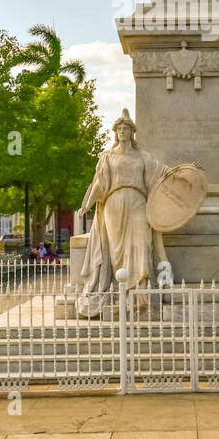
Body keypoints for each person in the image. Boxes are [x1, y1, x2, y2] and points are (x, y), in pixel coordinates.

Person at [74, 109, 173, 317]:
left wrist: (184, 173)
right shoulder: (108, 157)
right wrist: (88, 204)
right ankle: (122, 295)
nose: (122, 132)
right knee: (117, 251)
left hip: (138, 201)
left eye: (126, 129)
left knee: (142, 243)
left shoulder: (143, 156)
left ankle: (142, 295)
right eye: (119, 129)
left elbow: (162, 174)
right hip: (114, 204)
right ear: (115, 132)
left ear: (131, 132)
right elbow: (99, 184)